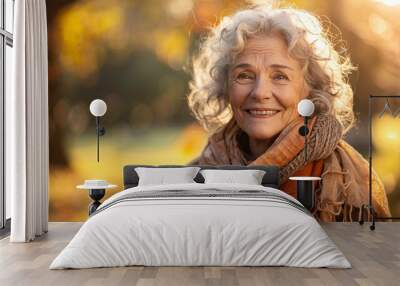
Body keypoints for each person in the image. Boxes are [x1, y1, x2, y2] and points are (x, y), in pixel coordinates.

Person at [187, 3, 391, 221]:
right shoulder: (193, 177)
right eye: (245, 75)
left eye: (280, 76)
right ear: (226, 86)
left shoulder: (349, 180)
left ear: (310, 90)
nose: (260, 93)